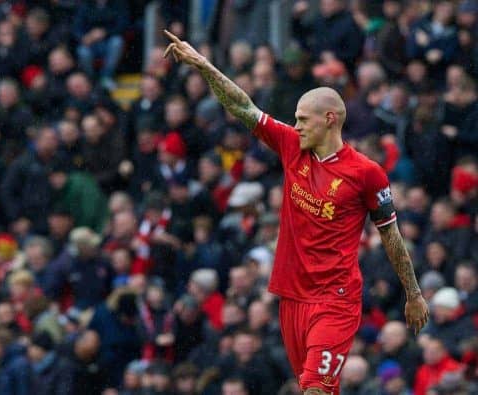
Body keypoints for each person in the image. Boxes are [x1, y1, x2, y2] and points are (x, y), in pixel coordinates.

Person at [163, 30, 429, 395]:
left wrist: (413, 294)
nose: (297, 125)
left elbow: (391, 235)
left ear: (330, 119)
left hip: (335, 299)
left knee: (314, 388)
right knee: (316, 388)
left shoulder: (365, 173)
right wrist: (204, 65)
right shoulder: (291, 146)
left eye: (304, 119)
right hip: (291, 295)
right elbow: (243, 107)